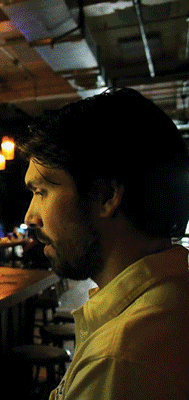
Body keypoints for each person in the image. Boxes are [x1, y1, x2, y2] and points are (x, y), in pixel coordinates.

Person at [19, 87, 189, 399]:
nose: (30, 216)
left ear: (106, 196)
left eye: (42, 191)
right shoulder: (173, 297)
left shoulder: (117, 360)